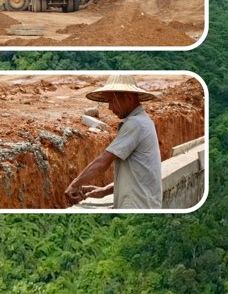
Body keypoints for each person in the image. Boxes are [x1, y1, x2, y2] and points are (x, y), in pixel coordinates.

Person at [65, 75, 163, 209]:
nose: (110, 108)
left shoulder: (135, 124)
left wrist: (75, 185)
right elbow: (139, 174)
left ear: (128, 97)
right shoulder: (144, 121)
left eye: (111, 101)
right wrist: (105, 190)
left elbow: (103, 162)